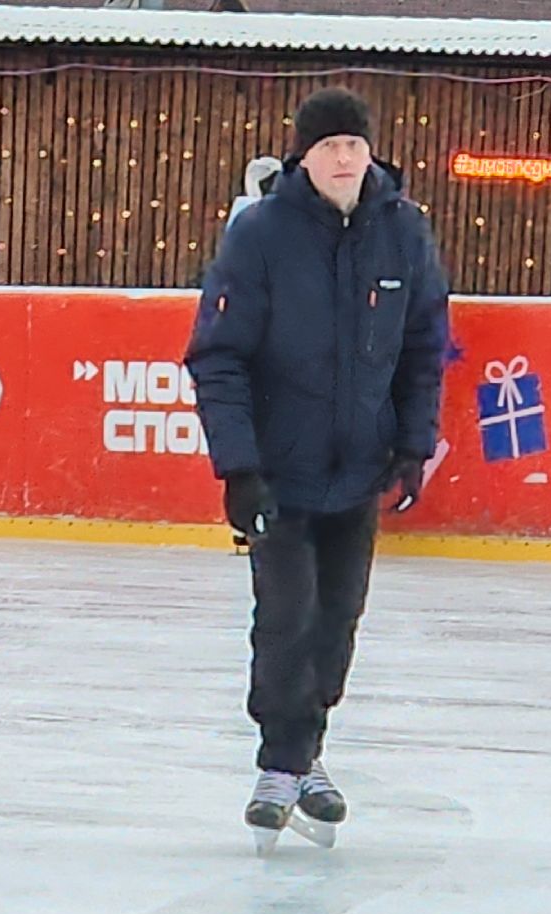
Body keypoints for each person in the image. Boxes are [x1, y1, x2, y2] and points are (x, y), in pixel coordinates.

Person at [184, 87, 449, 853]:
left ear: (371, 154)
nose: (344, 159)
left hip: (358, 470)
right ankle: (280, 763)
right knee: (288, 617)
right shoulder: (261, 235)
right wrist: (238, 468)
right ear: (302, 155)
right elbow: (219, 357)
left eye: (355, 147)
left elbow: (424, 347)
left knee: (337, 622)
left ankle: (306, 756)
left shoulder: (403, 233)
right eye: (330, 146)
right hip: (280, 470)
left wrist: (411, 443)